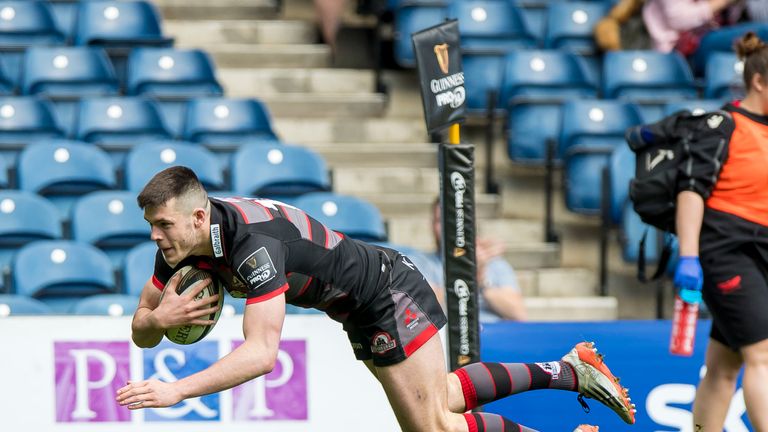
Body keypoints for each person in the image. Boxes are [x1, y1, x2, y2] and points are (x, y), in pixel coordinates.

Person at [114, 166, 635, 431]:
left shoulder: (255, 247)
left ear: (199, 216)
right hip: (360, 304)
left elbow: (262, 353)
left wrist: (178, 390)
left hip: (387, 291)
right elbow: (141, 329)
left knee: (433, 427)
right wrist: (161, 317)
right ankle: (569, 370)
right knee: (443, 401)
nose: (155, 237)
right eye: (151, 227)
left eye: (162, 225)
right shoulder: (179, 246)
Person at [673, 31, 768, 431]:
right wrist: (689, 256)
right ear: (759, 81)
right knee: (762, 354)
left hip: (761, 250)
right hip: (726, 248)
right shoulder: (723, 124)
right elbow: (691, 191)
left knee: (724, 363)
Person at [414, 199, 527, 322]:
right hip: (449, 333)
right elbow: (423, 310)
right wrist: (467, 278)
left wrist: (482, 281)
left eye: (455, 221)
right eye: (440, 221)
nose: (448, 228)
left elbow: (519, 314)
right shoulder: (421, 263)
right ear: (431, 225)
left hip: (493, 332)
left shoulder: (495, 263)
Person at [642, 0, 742, 55]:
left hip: (716, 35)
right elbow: (678, 20)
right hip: (681, 51)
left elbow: (731, 17)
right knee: (754, 34)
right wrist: (722, 2)